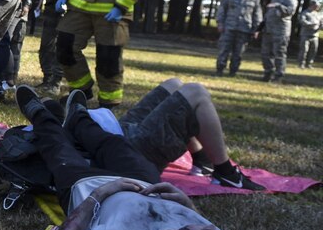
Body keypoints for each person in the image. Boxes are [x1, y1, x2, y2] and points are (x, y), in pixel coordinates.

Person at [16, 86, 250, 230]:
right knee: (113, 144)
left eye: (191, 228)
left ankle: (41, 115)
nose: (205, 225)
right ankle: (78, 117)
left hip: (87, 186)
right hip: (142, 181)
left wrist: (99, 194)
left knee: (58, 148)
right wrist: (187, 205)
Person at [92, 77, 262, 190]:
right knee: (196, 93)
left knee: (173, 84)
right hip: (126, 153)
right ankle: (226, 174)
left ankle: (202, 161)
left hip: (115, 133)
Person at [215, 0, 262, 77]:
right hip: (229, 27)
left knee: (238, 52)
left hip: (244, 29)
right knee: (224, 50)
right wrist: (220, 23)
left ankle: (233, 71)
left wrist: (257, 29)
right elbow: (222, 9)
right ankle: (220, 70)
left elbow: (257, 14)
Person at [260, 0, 298, 83]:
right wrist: (262, 27)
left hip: (280, 31)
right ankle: (268, 73)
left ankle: (278, 76)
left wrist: (278, 6)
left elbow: (290, 11)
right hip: (269, 30)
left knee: (279, 54)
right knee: (266, 53)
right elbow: (268, 13)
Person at [299, 1, 321, 68]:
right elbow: (302, 21)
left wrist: (321, 26)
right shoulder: (305, 13)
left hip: (315, 35)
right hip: (305, 34)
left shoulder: (318, 14)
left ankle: (309, 64)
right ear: (312, 5)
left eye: (318, 6)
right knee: (304, 50)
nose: (317, 7)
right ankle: (301, 64)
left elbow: (320, 22)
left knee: (313, 50)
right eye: (316, 6)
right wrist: (311, 24)